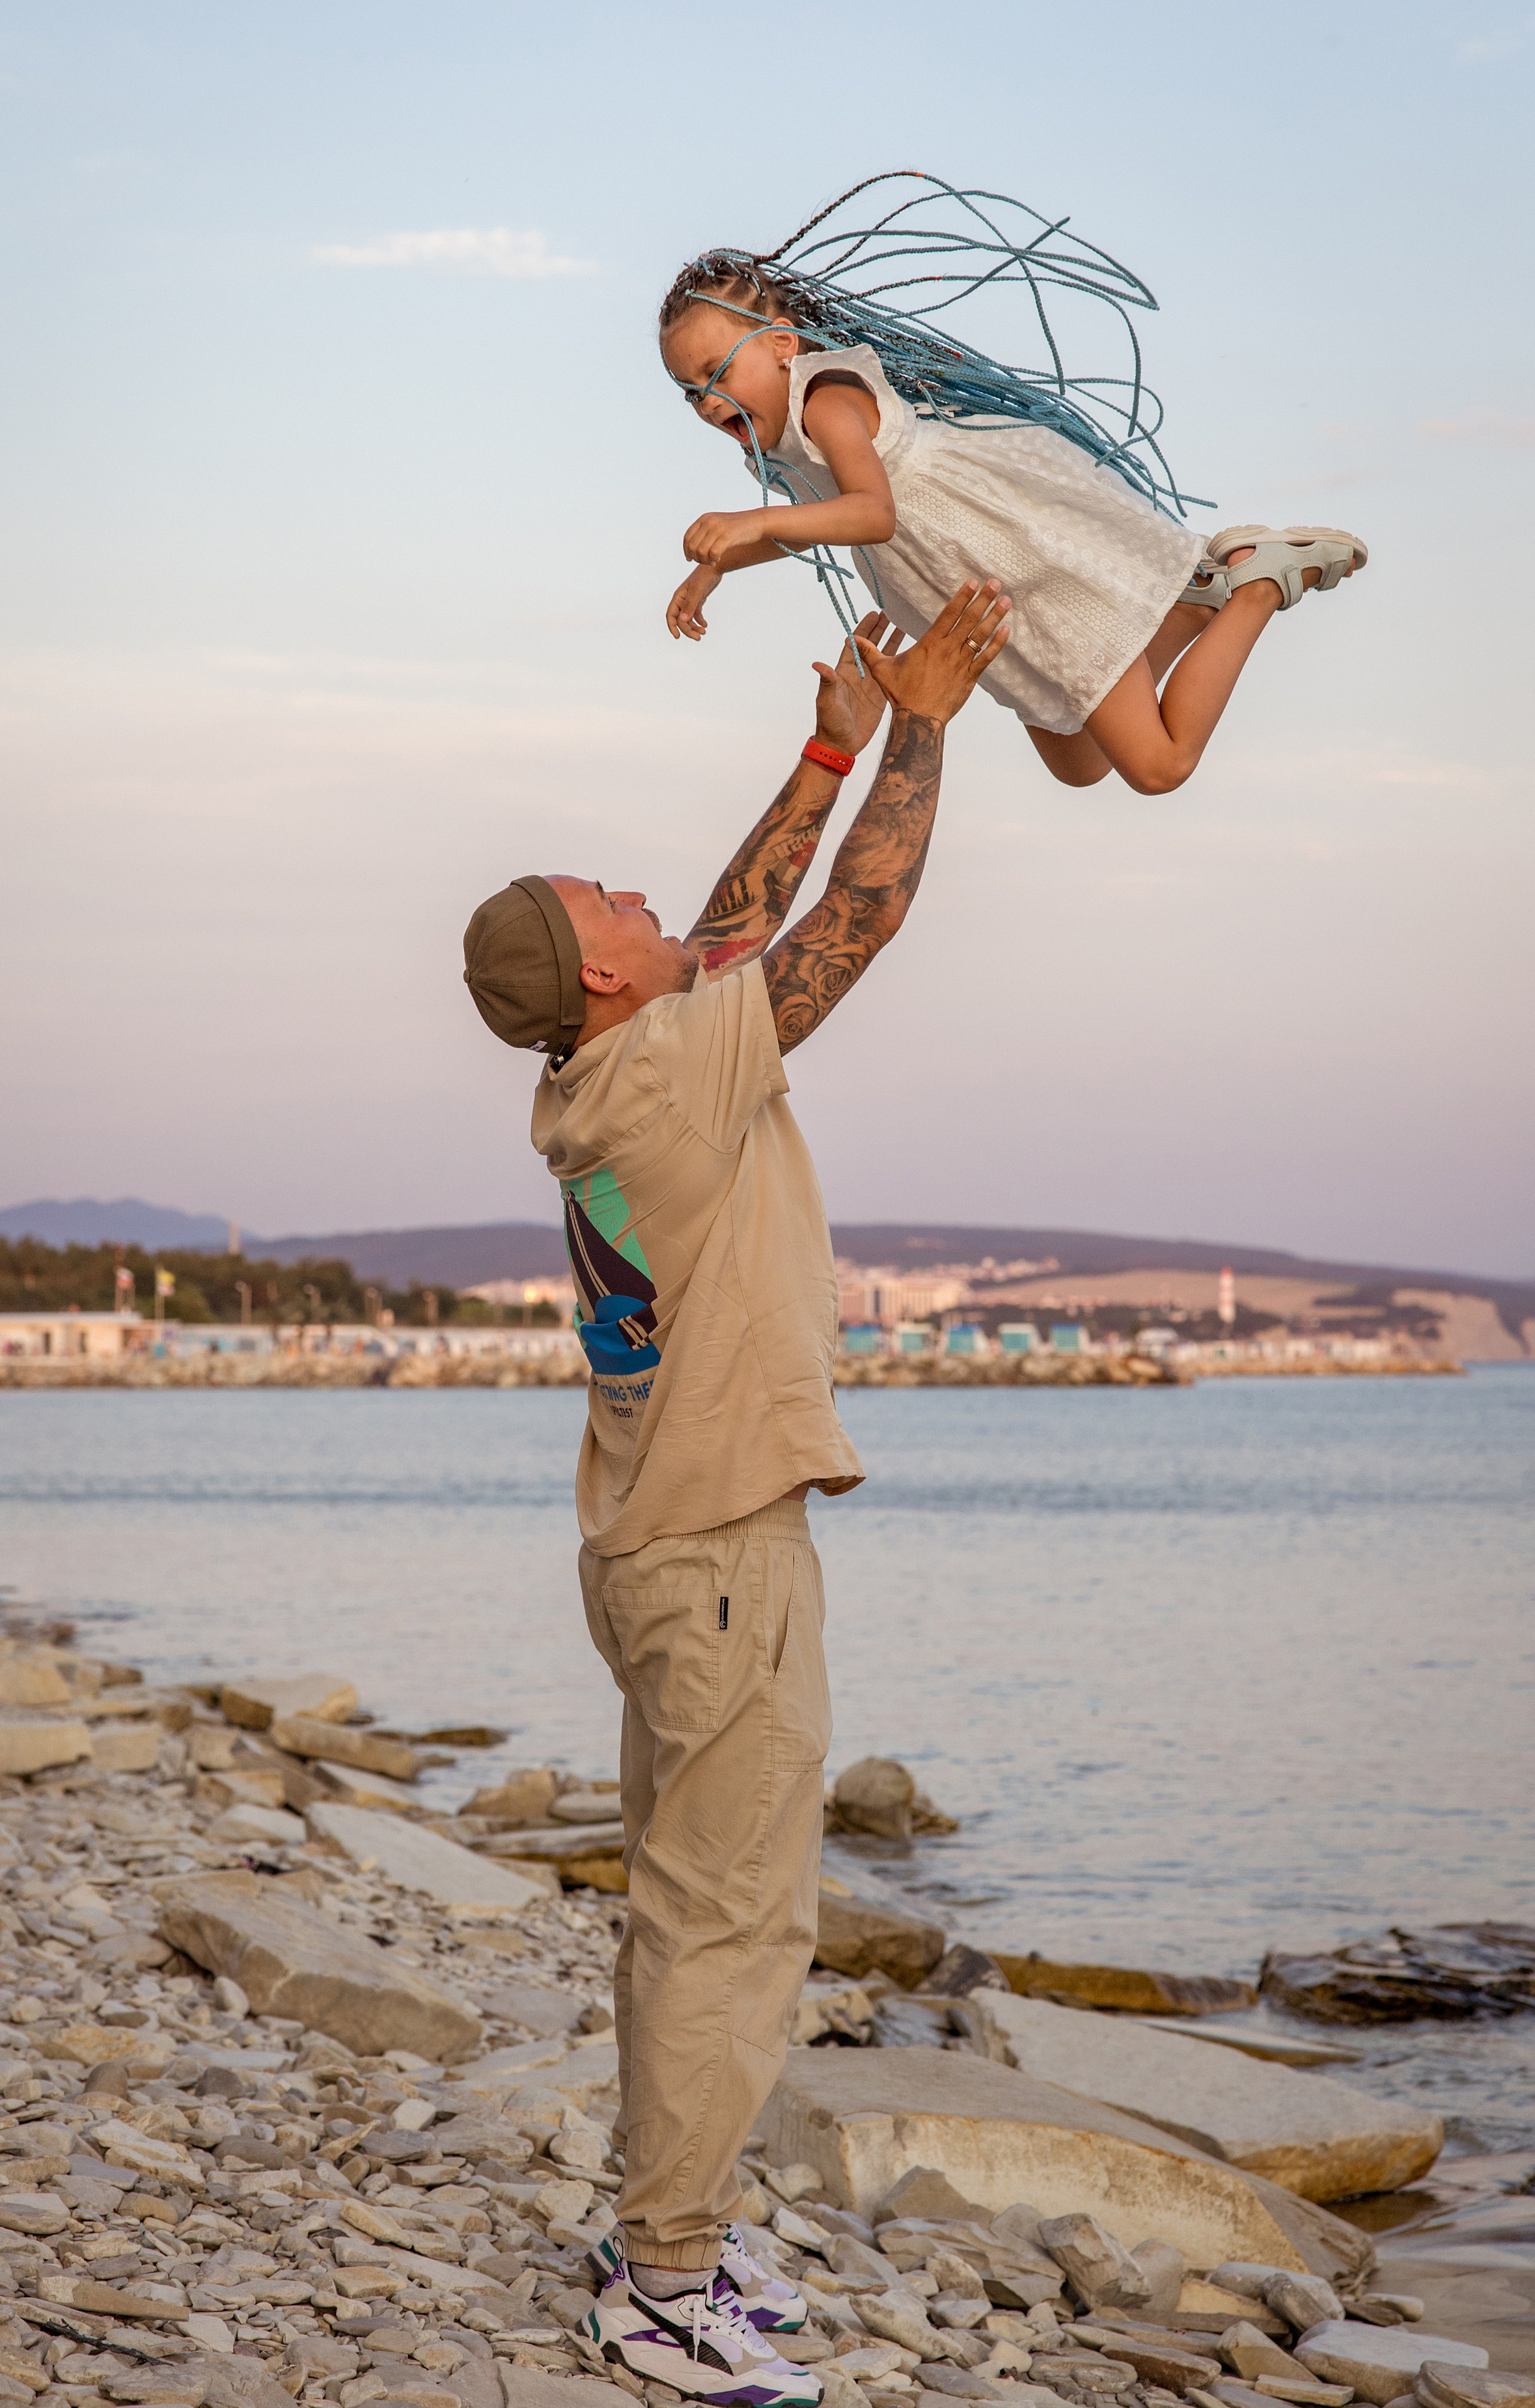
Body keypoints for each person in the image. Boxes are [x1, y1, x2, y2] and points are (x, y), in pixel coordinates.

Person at [461, 580, 1010, 2407]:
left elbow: (731, 926)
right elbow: (843, 928)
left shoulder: (615, 1067)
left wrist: (834, 735)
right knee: (732, 1925)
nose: (642, 900)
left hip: (658, 1554)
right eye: (607, 902)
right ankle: (666, 2283)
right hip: (714, 1566)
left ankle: (661, 2235)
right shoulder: (671, 1077)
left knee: (684, 1908)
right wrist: (929, 718)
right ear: (601, 974)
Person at [657, 179, 1367, 799]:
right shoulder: (775, 447)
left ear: (782, 343)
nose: (707, 400)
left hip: (1015, 564)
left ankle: (1257, 582)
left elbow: (871, 515)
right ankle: (1191, 602)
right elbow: (812, 522)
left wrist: (744, 523)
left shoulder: (825, 399)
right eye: (689, 392)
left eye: (717, 372)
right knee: (1079, 762)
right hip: (976, 599)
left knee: (1158, 765)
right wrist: (716, 568)